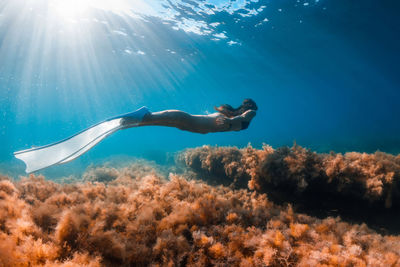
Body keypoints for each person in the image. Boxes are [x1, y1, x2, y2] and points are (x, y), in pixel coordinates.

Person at [14, 99, 257, 173]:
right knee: (164, 118)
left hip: (191, 126)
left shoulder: (238, 120)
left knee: (154, 123)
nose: (245, 113)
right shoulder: (239, 119)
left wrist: (234, 118)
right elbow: (246, 115)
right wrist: (236, 117)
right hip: (188, 121)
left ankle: (133, 121)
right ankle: (141, 115)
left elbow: (244, 116)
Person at [122, 98, 257, 134]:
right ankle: (139, 122)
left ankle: (144, 117)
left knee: (177, 117)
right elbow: (244, 117)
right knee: (173, 122)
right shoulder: (237, 120)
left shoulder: (248, 115)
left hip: (198, 125)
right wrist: (230, 121)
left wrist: (230, 121)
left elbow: (246, 116)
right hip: (199, 129)